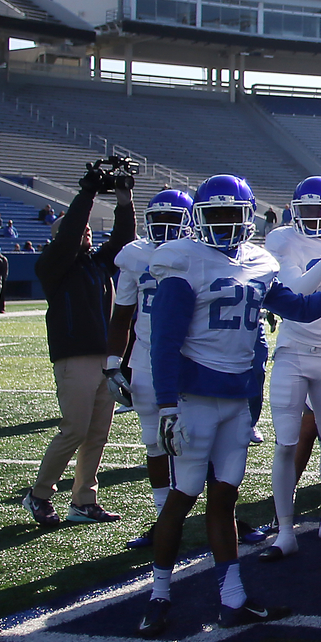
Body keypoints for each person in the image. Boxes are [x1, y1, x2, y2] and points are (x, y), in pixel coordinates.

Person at [135, 175, 321, 637]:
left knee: (225, 497)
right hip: (195, 397)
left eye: (232, 214)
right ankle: (158, 593)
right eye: (213, 215)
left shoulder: (258, 261)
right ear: (197, 218)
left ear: (248, 216)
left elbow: (301, 308)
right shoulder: (182, 260)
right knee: (182, 495)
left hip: (237, 398)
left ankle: (232, 598)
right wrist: (168, 405)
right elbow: (164, 341)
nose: (224, 224)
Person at [22, 167, 137, 527]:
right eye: (77, 230)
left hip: (102, 358)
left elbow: (123, 240)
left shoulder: (95, 265)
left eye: (89, 229)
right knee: (74, 429)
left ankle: (84, 499)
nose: (85, 231)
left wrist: (124, 200)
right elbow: (70, 234)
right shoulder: (53, 266)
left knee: (97, 434)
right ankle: (39, 495)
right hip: (75, 358)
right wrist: (86, 196)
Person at [257, 176, 321, 559]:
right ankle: (285, 529)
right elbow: (296, 291)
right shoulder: (283, 240)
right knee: (286, 443)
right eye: (308, 209)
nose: (315, 217)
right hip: (294, 352)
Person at [104, 188, 197, 529]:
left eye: (172, 219)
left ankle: (223, 513)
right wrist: (113, 364)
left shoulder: (199, 253)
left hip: (191, 356)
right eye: (157, 219)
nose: (163, 226)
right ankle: (162, 518)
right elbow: (121, 315)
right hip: (146, 358)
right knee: (154, 441)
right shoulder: (134, 255)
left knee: (202, 438)